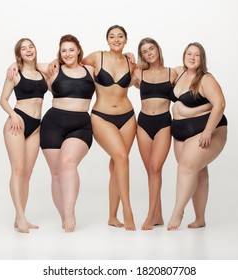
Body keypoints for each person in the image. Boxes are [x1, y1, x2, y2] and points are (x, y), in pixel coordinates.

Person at [167, 42, 228, 231]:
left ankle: (178, 211)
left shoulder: (206, 79)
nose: (192, 57)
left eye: (197, 55)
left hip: (207, 129)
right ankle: (200, 218)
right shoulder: (178, 73)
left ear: (202, 59)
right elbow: (155, 71)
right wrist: (132, 61)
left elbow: (220, 104)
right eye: (189, 53)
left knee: (187, 167)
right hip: (180, 131)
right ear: (184, 55)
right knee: (197, 171)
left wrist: (208, 131)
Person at [39, 34, 95, 232]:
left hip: (80, 126)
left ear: (79, 50)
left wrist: (130, 55)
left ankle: (70, 211)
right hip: (52, 125)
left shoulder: (90, 69)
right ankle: (63, 215)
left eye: (71, 49)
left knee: (67, 163)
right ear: (59, 53)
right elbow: (28, 63)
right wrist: (13, 65)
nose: (68, 53)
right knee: (56, 174)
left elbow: (116, 69)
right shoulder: (53, 69)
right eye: (64, 50)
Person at [84, 25, 137, 231]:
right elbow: (71, 62)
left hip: (127, 117)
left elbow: (145, 77)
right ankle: (127, 211)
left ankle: (112, 217)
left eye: (120, 36)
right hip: (101, 116)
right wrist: (53, 62)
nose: (116, 39)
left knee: (117, 163)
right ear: (107, 40)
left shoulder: (130, 62)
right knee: (122, 158)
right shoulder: (97, 57)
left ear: (126, 40)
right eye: (112, 36)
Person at [0, 38, 49, 233]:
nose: (28, 50)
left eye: (31, 46)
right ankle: (20, 216)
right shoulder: (15, 73)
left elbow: (58, 63)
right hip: (17, 125)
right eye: (23, 48)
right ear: (18, 54)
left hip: (36, 127)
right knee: (18, 169)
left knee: (27, 174)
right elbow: (2, 99)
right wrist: (12, 115)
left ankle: (21, 216)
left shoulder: (42, 72)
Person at [132, 38, 177, 230]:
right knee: (150, 171)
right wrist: (128, 58)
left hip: (163, 123)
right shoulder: (139, 73)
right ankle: (158, 214)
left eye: (151, 49)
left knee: (155, 168)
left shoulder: (172, 73)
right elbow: (120, 79)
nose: (149, 53)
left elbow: (190, 77)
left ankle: (150, 216)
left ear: (158, 49)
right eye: (144, 51)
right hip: (143, 123)